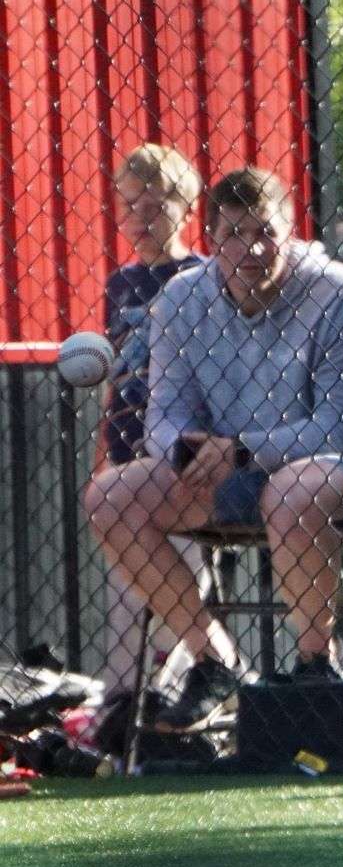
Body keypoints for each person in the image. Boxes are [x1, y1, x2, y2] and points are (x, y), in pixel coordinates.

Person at [84, 167, 343, 730]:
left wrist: (240, 450)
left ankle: (315, 663)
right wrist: (185, 450)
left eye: (265, 231)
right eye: (233, 233)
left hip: (341, 469)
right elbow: (163, 416)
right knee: (110, 497)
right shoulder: (181, 300)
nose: (251, 248)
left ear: (291, 230)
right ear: (210, 239)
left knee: (292, 492)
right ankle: (215, 661)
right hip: (226, 466)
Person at [96, 145, 208, 709]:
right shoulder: (121, 284)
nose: (141, 218)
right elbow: (119, 369)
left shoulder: (201, 278)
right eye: (130, 205)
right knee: (126, 577)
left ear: (186, 209)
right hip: (127, 442)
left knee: (184, 564)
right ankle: (125, 694)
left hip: (181, 449)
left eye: (155, 205)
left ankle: (184, 678)